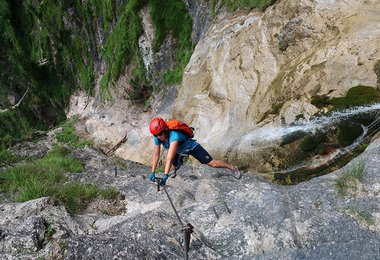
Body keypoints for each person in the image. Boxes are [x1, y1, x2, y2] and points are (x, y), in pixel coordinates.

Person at [148, 117, 241, 185]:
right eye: (155, 135)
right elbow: (156, 155)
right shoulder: (158, 137)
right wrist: (152, 172)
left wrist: (165, 175)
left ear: (165, 129)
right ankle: (174, 170)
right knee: (174, 166)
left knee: (213, 164)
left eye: (160, 134)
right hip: (178, 150)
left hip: (190, 147)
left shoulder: (174, 135)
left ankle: (232, 168)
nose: (158, 137)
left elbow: (169, 157)